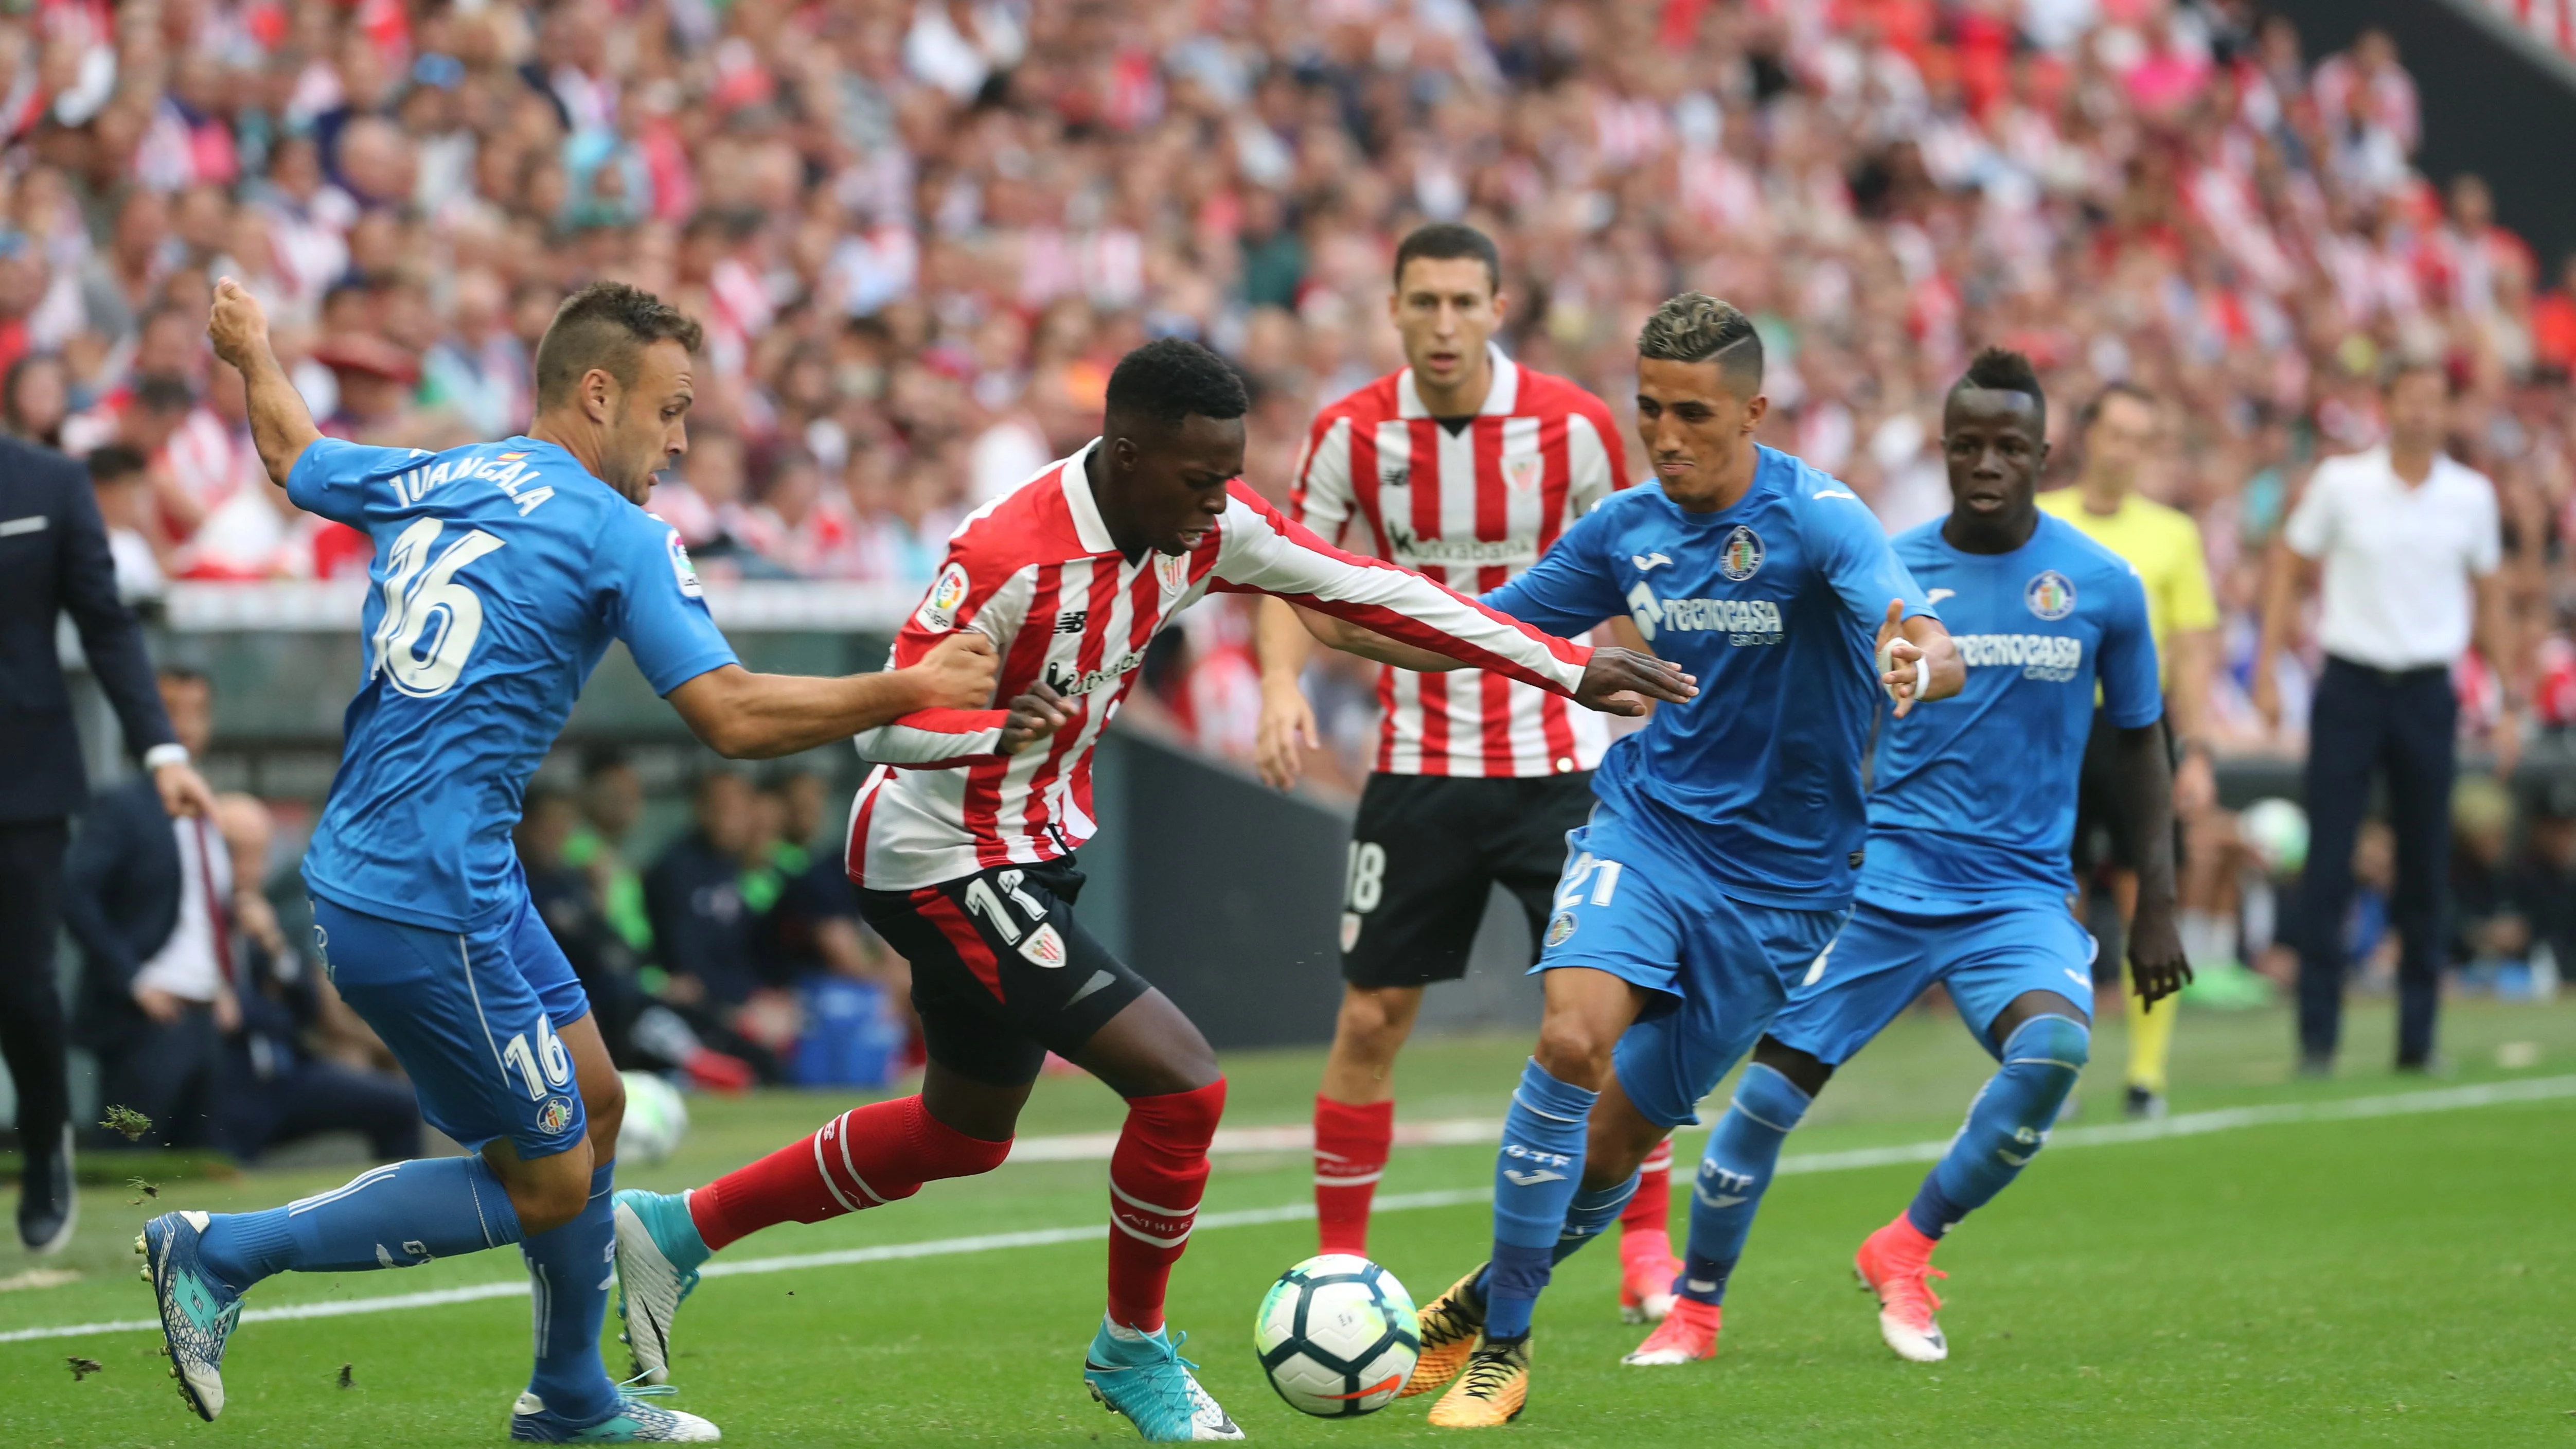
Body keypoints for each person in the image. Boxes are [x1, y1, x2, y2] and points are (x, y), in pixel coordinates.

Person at [606, 337, 1693, 1443]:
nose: (1218, 500)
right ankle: (1134, 1351)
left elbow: (1370, 592)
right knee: (1182, 1084)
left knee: (963, 1133)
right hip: (943, 858)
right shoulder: (1006, 554)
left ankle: (673, 1228)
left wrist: (1561, 662)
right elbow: (884, 720)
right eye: (1197, 476)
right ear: (1124, 452)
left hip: (1034, 851)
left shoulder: (1206, 525)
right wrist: (983, 725)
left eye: (1228, 475)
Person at [138, 277, 1001, 1442]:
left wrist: (251, 350)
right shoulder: (616, 533)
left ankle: (573, 1397)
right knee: (544, 1178)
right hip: (425, 899)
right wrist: (912, 686)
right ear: (599, 392)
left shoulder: (442, 471)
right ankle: (221, 1252)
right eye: (670, 407)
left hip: (434, 873)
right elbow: (733, 717)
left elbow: (293, 454)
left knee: (594, 1108)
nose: (682, 438)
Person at [1362, 293, 1963, 1428]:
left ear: (1753, 410)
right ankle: (1505, 1347)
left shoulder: (1822, 518)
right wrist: (1324, 602)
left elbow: (1927, 640)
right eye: (1649, 411)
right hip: (1646, 831)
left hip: (1783, 896)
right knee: (1571, 1034)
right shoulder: (1623, 529)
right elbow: (1479, 628)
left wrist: (1915, 660)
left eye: (1693, 413)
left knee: (1616, 1144)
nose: (1667, 435)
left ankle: (1489, 1292)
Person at [1623, 348, 2189, 1370]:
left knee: (2055, 1051)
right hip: (1876, 884)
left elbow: (2143, 738)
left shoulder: (2102, 586)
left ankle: (1906, 1242)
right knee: (1760, 1104)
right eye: (1966, 445)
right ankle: (1694, 1311)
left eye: (2008, 447)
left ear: (2041, 455)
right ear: (1941, 451)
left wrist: (2157, 899)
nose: (1986, 463)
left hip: (2013, 896)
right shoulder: (1882, 566)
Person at [1248, 222, 1678, 1318]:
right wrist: (1278, 686)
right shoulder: (1350, 433)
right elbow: (1292, 576)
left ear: (1498, 308)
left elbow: (1630, 584)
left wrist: (1665, 707)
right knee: (1368, 1018)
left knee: (1614, 1018)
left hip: (1560, 765)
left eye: (1461, 302)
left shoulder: (1571, 425)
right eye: (1422, 302)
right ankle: (1340, 1268)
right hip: (1418, 763)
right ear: (1393, 309)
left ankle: (1644, 1255)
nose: (1442, 324)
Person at [2254, 360, 2521, 1073]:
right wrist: (2265, 667)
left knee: (2424, 864)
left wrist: (2506, 695)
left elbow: (2489, 594)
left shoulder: (2468, 497)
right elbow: (2286, 562)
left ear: (2445, 412)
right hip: (2349, 683)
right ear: (2388, 406)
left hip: (2426, 690)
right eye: (2410, 399)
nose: (2421, 414)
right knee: (2329, 861)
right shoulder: (2344, 484)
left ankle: (2416, 1038)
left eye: (2434, 402)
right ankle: (2316, 1040)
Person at [0, 406, 218, 1256]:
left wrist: (161, 748)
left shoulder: (49, 484)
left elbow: (107, 623)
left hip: (22, 779)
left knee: (21, 987)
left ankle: (48, 1134)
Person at [66, 665, 417, 1160]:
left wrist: (258, 953)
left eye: (198, 713)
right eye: (169, 712)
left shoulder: (208, 816)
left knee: (199, 1173)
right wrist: (133, 980)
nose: (184, 726)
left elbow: (298, 1005)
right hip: (152, 1018)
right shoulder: (125, 807)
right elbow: (75, 895)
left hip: (213, 1029)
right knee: (128, 1161)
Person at [2036, 383, 2219, 1119]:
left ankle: (2145, 1074)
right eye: (2115, 434)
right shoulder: (2042, 520)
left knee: (2148, 891)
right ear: (2086, 437)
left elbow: (2193, 647)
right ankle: (2054, 1065)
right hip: (2052, 724)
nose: (2124, 451)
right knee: (2053, 895)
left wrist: (2197, 750)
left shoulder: (2172, 534)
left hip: (2139, 729)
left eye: (2139, 438)